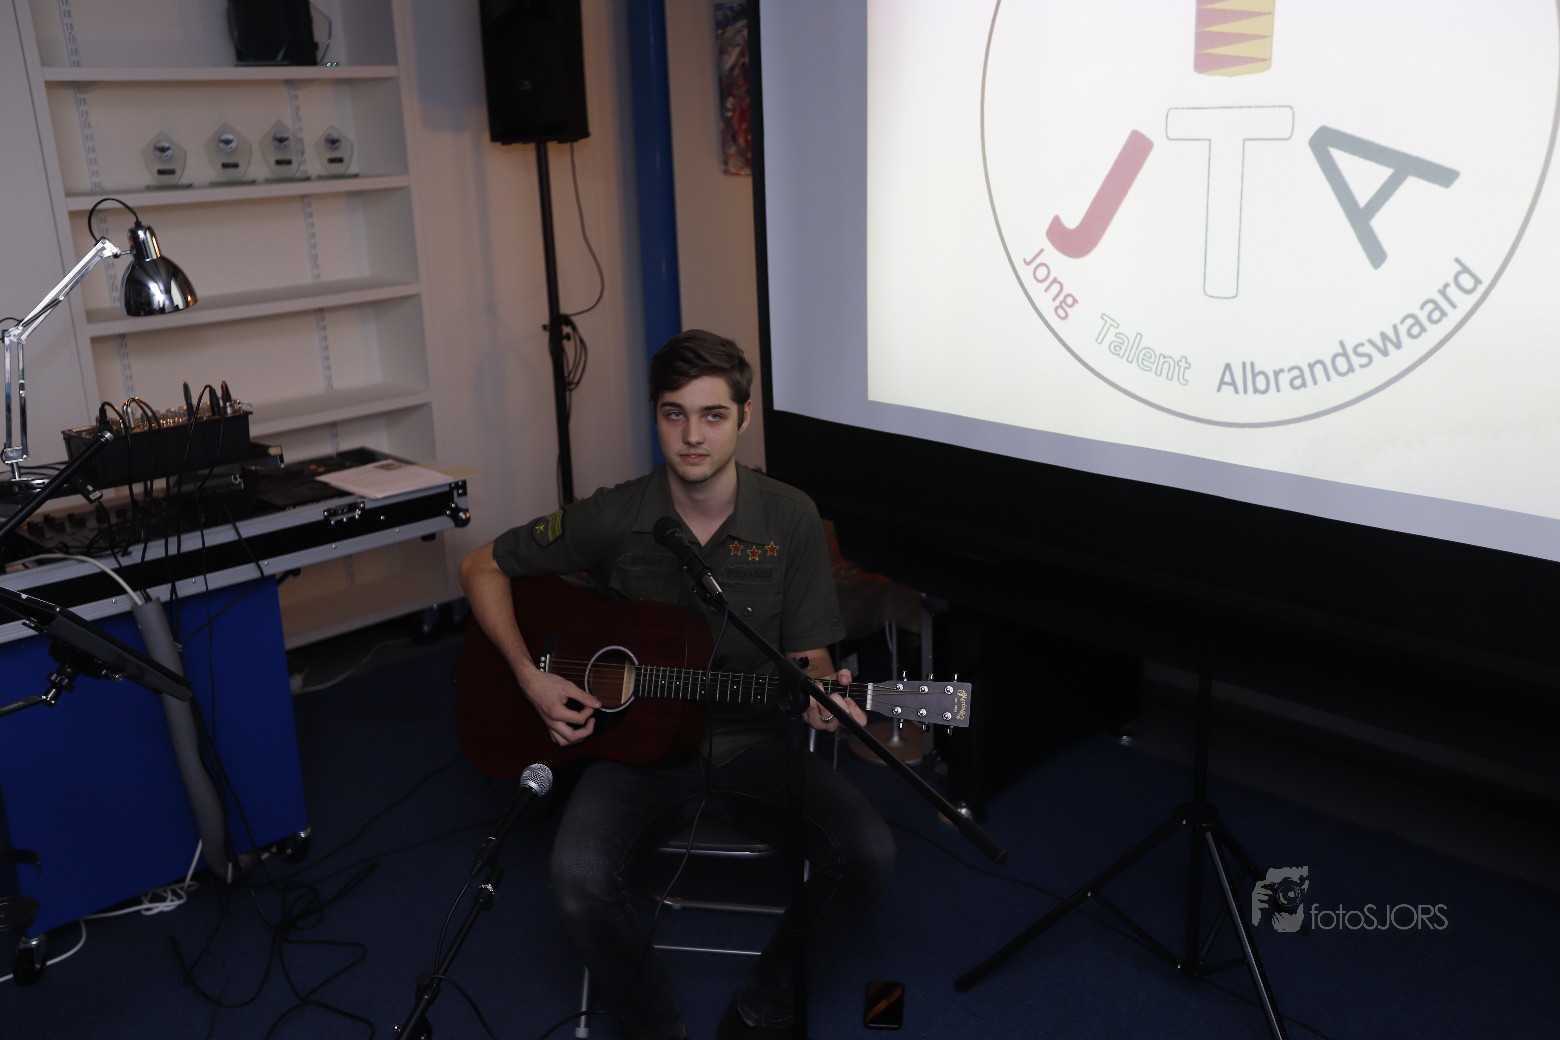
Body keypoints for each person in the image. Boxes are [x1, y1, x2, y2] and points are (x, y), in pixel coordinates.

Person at [459, 330, 895, 1040]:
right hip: (637, 750)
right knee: (575, 878)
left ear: (743, 417)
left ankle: (763, 1008)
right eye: (674, 414)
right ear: (656, 416)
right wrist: (529, 677)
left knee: (868, 854)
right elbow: (481, 565)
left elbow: (810, 657)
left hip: (756, 746)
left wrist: (823, 700)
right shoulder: (615, 513)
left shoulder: (790, 516)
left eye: (713, 414)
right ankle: (654, 1025)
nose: (692, 436)